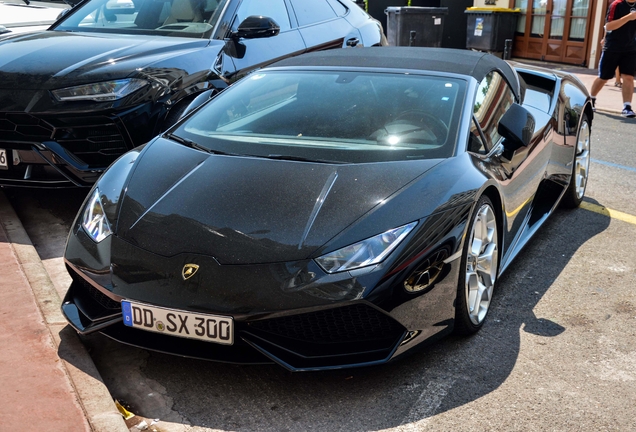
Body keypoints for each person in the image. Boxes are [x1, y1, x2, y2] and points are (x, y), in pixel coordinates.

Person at [589, 0, 636, 117]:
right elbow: (609, 26)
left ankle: (627, 107)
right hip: (612, 47)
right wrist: (628, 17)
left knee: (628, 77)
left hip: (630, 48)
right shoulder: (617, 5)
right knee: (604, 77)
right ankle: (591, 100)